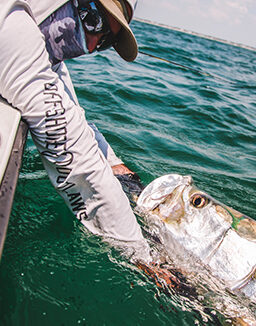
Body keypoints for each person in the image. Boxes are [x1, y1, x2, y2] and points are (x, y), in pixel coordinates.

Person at [0, 0, 151, 262]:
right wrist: (145, 258)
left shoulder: (42, 45)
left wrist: (115, 166)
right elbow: (71, 148)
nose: (91, 45)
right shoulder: (10, 22)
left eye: (105, 39)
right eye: (94, 19)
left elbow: (70, 110)